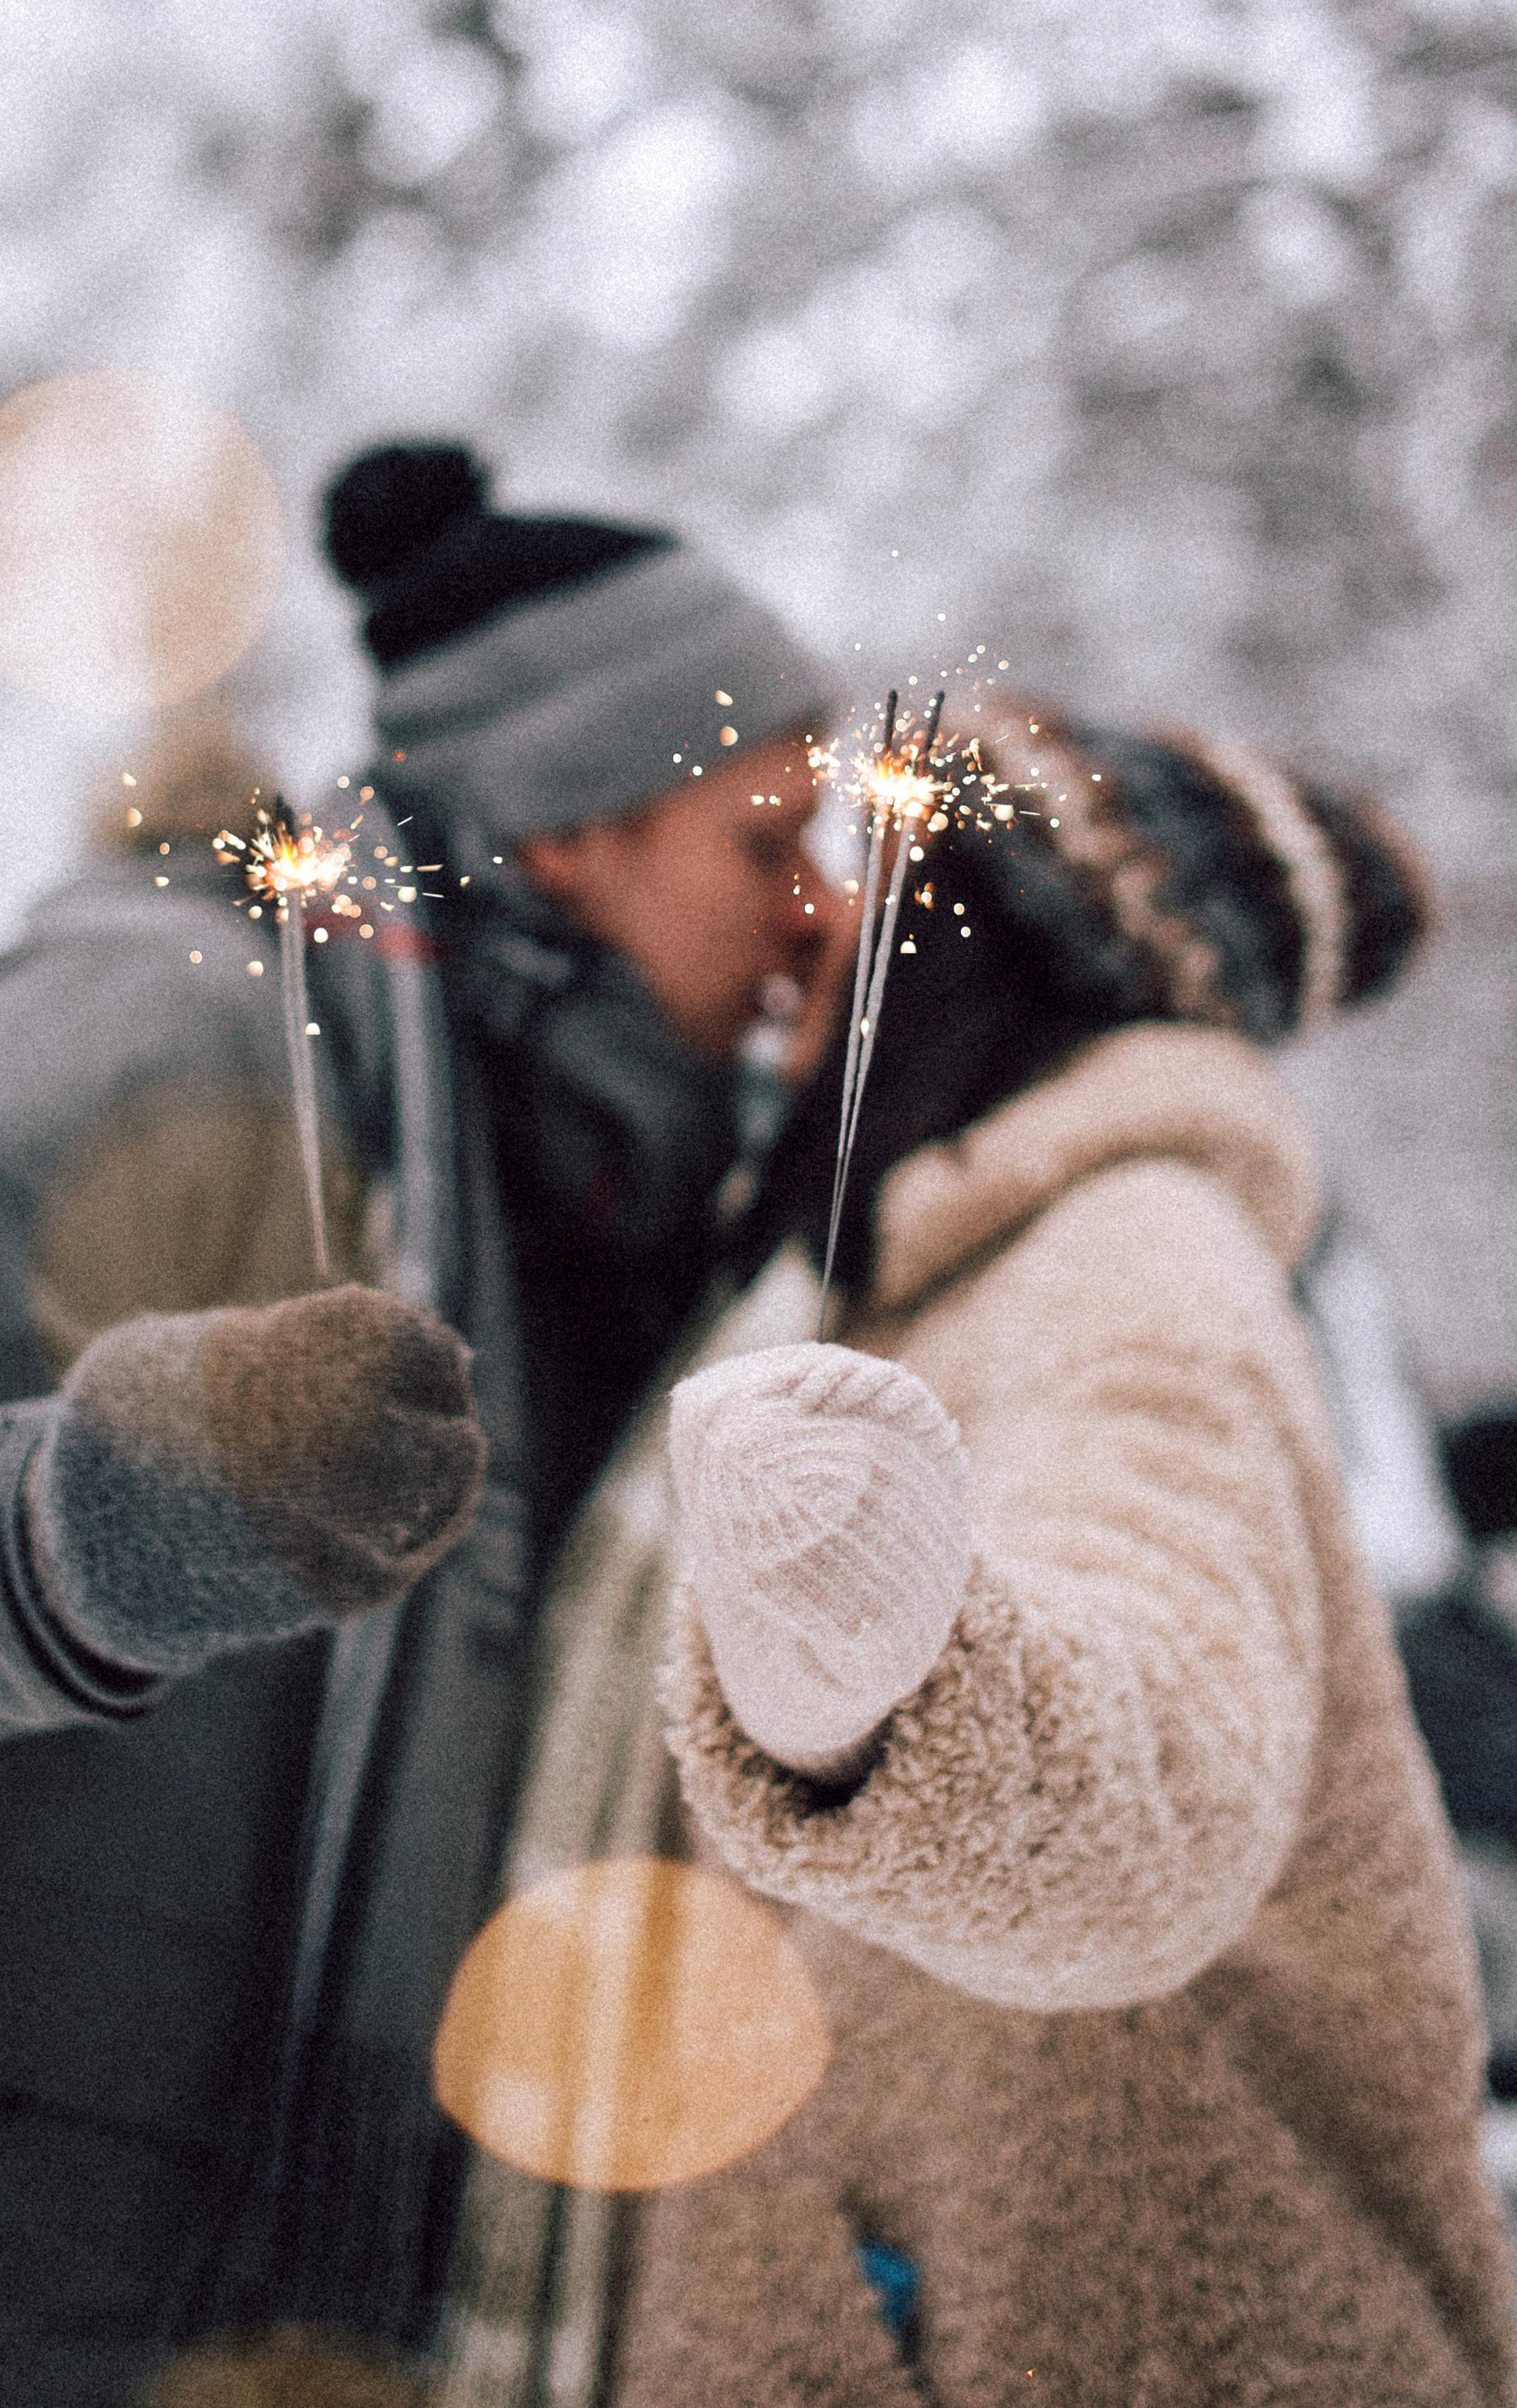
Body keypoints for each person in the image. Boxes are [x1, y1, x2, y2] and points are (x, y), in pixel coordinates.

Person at [0, 443, 842, 2408]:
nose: (817, 916)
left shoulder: (592, 1246)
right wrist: (91, 1533)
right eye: (764, 844)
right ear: (573, 831)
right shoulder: (163, 1041)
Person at [609, 703, 1517, 2408]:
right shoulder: (941, 1257)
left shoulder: (1132, 1253)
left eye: (865, 876)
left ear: (991, 950)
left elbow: (1160, 1765)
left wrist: (887, 1688)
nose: (809, 918)